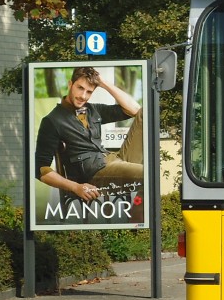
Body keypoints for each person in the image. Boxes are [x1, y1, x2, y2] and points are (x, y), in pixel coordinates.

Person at [34, 66, 144, 205]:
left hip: (114, 160)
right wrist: (76, 187)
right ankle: (136, 221)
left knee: (144, 114)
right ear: (70, 84)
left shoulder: (93, 109)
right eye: (80, 88)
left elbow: (135, 110)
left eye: (89, 92)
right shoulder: (52, 121)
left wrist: (103, 83)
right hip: (94, 173)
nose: (83, 96)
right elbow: (41, 170)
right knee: (148, 172)